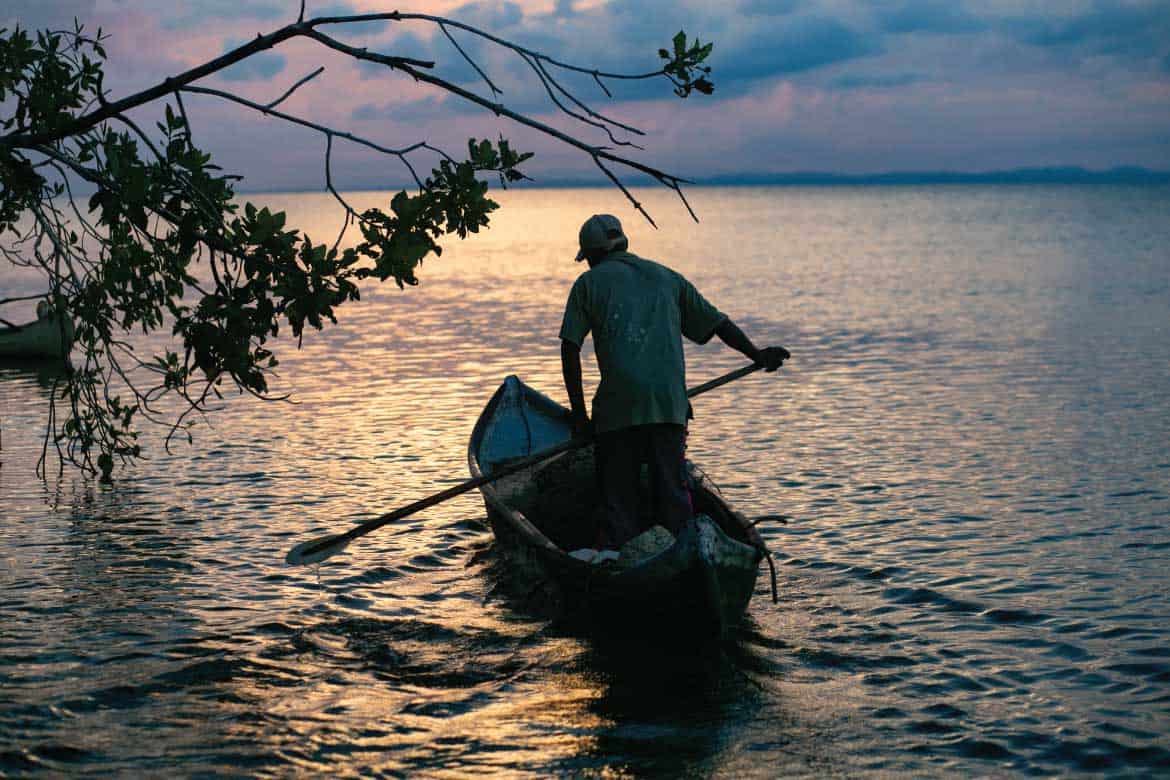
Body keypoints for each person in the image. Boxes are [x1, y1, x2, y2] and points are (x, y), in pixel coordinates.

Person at [559, 213, 789, 551]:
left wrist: (579, 415)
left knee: (618, 498)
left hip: (618, 410)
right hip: (669, 405)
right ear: (624, 244)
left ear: (591, 256)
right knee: (672, 491)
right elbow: (718, 323)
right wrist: (757, 355)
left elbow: (569, 348)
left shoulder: (588, 284)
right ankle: (682, 552)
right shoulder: (666, 277)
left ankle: (620, 558)